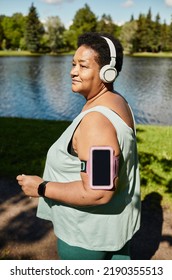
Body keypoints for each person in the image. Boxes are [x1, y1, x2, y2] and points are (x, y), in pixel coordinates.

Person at [17, 32, 141, 260]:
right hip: (112, 230)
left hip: (86, 238)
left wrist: (42, 187)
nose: (73, 72)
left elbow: (98, 192)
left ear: (107, 72)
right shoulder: (118, 102)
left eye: (83, 66)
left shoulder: (96, 123)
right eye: (73, 64)